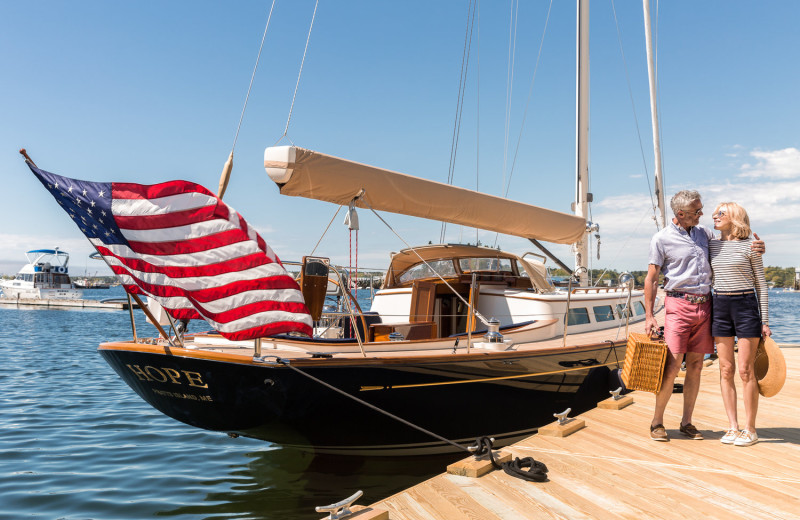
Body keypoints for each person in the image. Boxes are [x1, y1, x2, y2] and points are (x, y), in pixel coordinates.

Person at [643, 190, 763, 442]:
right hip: (678, 305)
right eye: (697, 211)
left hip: (707, 307)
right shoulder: (661, 239)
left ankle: (687, 422)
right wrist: (649, 316)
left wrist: (757, 246)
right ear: (681, 214)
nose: (702, 215)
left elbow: (732, 242)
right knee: (673, 365)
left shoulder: (704, 234)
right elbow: (652, 279)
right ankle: (657, 422)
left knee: (696, 366)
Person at [709, 202, 770, 447]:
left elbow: (761, 286)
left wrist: (764, 320)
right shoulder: (710, 245)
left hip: (745, 306)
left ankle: (750, 429)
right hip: (719, 306)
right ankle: (732, 427)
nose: (715, 216)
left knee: (745, 371)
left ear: (735, 218)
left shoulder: (751, 247)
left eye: (721, 213)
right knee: (725, 370)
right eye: (715, 213)